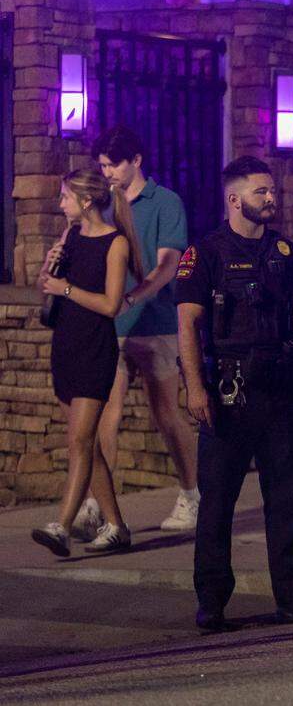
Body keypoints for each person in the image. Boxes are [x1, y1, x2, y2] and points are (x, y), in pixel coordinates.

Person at [176, 156, 293, 632]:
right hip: (230, 393)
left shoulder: (288, 253)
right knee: (217, 504)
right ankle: (212, 603)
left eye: (271, 190)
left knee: (286, 503)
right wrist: (195, 388)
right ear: (234, 198)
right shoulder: (205, 254)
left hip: (282, 393)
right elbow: (188, 325)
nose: (271, 198)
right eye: (260, 191)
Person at [68, 127, 196, 543]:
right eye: (102, 165)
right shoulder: (104, 205)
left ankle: (192, 495)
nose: (106, 173)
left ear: (136, 160)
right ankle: (97, 506)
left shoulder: (165, 202)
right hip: (111, 328)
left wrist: (135, 296)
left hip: (156, 324)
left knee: (166, 413)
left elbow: (168, 264)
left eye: (113, 165)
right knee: (106, 414)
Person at [31, 170, 144, 557]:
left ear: (85, 201)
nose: (60, 203)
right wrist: (49, 269)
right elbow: (47, 289)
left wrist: (66, 288)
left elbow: (111, 305)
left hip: (95, 349)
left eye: (65, 196)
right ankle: (117, 527)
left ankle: (62, 527)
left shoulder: (116, 244)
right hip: (65, 345)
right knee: (86, 443)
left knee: (79, 441)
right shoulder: (71, 235)